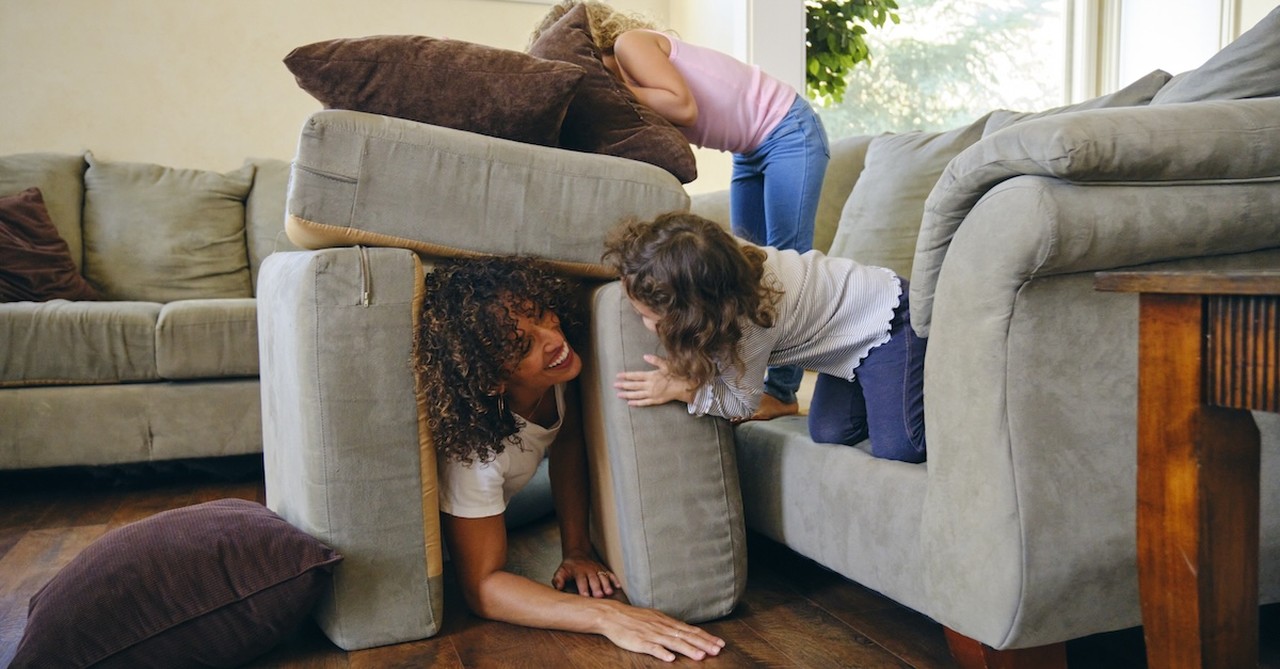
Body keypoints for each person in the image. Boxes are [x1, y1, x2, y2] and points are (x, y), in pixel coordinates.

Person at [413, 255, 725, 662]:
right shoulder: (474, 461)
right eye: (525, 344)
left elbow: (568, 443)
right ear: (491, 378)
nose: (552, 337)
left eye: (541, 314)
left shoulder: (557, 374)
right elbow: (483, 587)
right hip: (474, 521)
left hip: (519, 487)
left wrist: (576, 549)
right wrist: (607, 615)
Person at [550, 0, 830, 421]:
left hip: (787, 130)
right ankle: (738, 373)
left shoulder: (631, 44)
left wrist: (602, 89)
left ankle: (783, 391)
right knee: (747, 264)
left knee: (783, 258)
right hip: (749, 150)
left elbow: (684, 107)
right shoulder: (633, 88)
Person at [603, 212, 927, 463]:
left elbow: (743, 402)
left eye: (648, 316)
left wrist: (684, 389)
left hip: (889, 318)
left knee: (901, 446)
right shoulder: (718, 265)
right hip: (845, 341)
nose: (642, 321)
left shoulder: (750, 323)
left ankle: (923, 368)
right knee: (831, 431)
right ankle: (881, 383)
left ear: (693, 316)